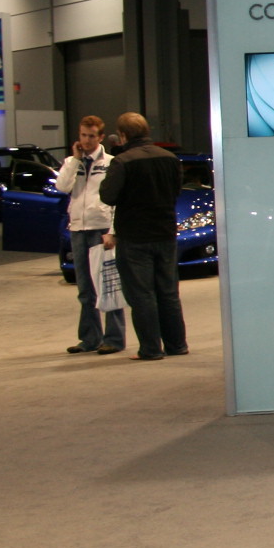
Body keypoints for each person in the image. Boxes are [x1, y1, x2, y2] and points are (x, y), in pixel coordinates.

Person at [98, 112, 186, 362]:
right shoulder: (170, 159)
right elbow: (176, 190)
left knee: (142, 294)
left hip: (135, 236)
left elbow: (108, 196)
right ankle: (177, 345)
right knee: (168, 292)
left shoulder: (122, 162)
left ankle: (150, 348)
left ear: (123, 135)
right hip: (166, 233)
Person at [54, 115, 125, 355]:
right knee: (85, 289)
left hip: (102, 231)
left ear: (101, 137)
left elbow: (117, 202)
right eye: (83, 135)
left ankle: (114, 339)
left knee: (108, 285)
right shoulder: (71, 162)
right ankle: (89, 338)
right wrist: (74, 160)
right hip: (78, 230)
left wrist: (112, 231)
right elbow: (62, 187)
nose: (86, 140)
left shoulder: (112, 163)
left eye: (91, 136)